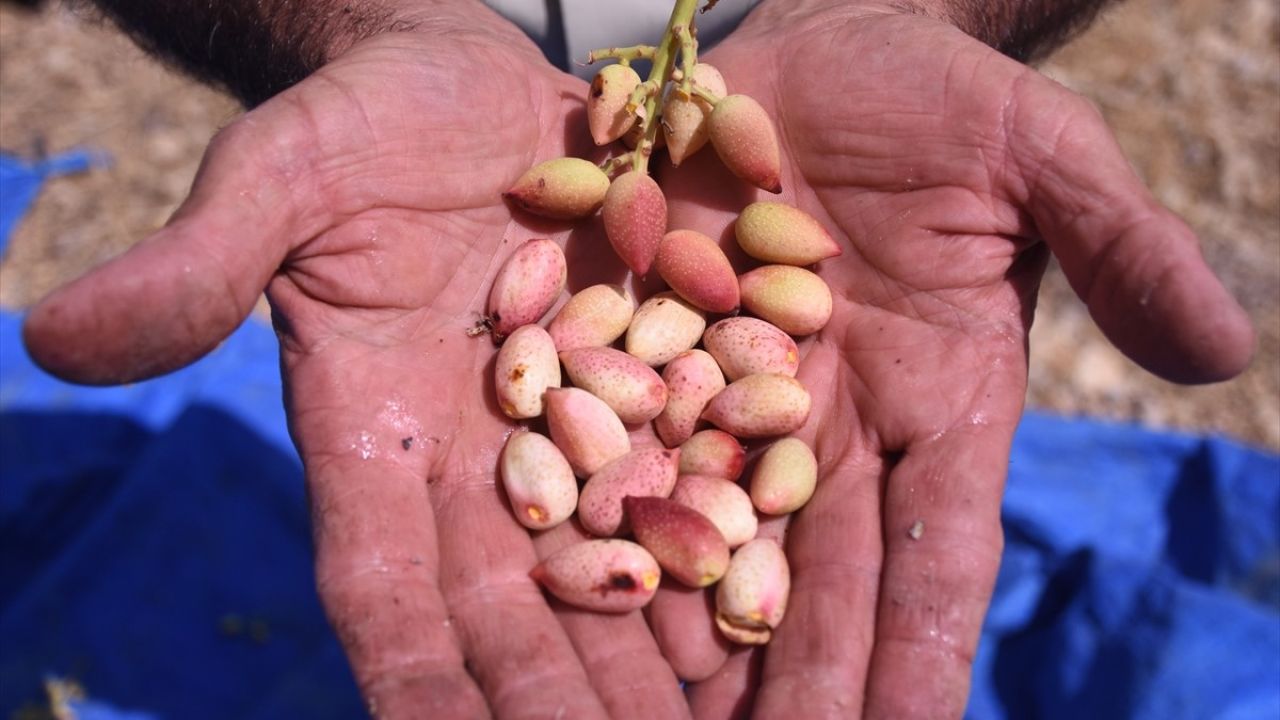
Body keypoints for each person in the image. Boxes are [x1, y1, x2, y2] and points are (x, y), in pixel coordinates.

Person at [21, 0, 1254, 717]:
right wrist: (350, 19)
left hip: (795, 80)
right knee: (435, 610)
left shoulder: (686, 335)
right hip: (447, 85)